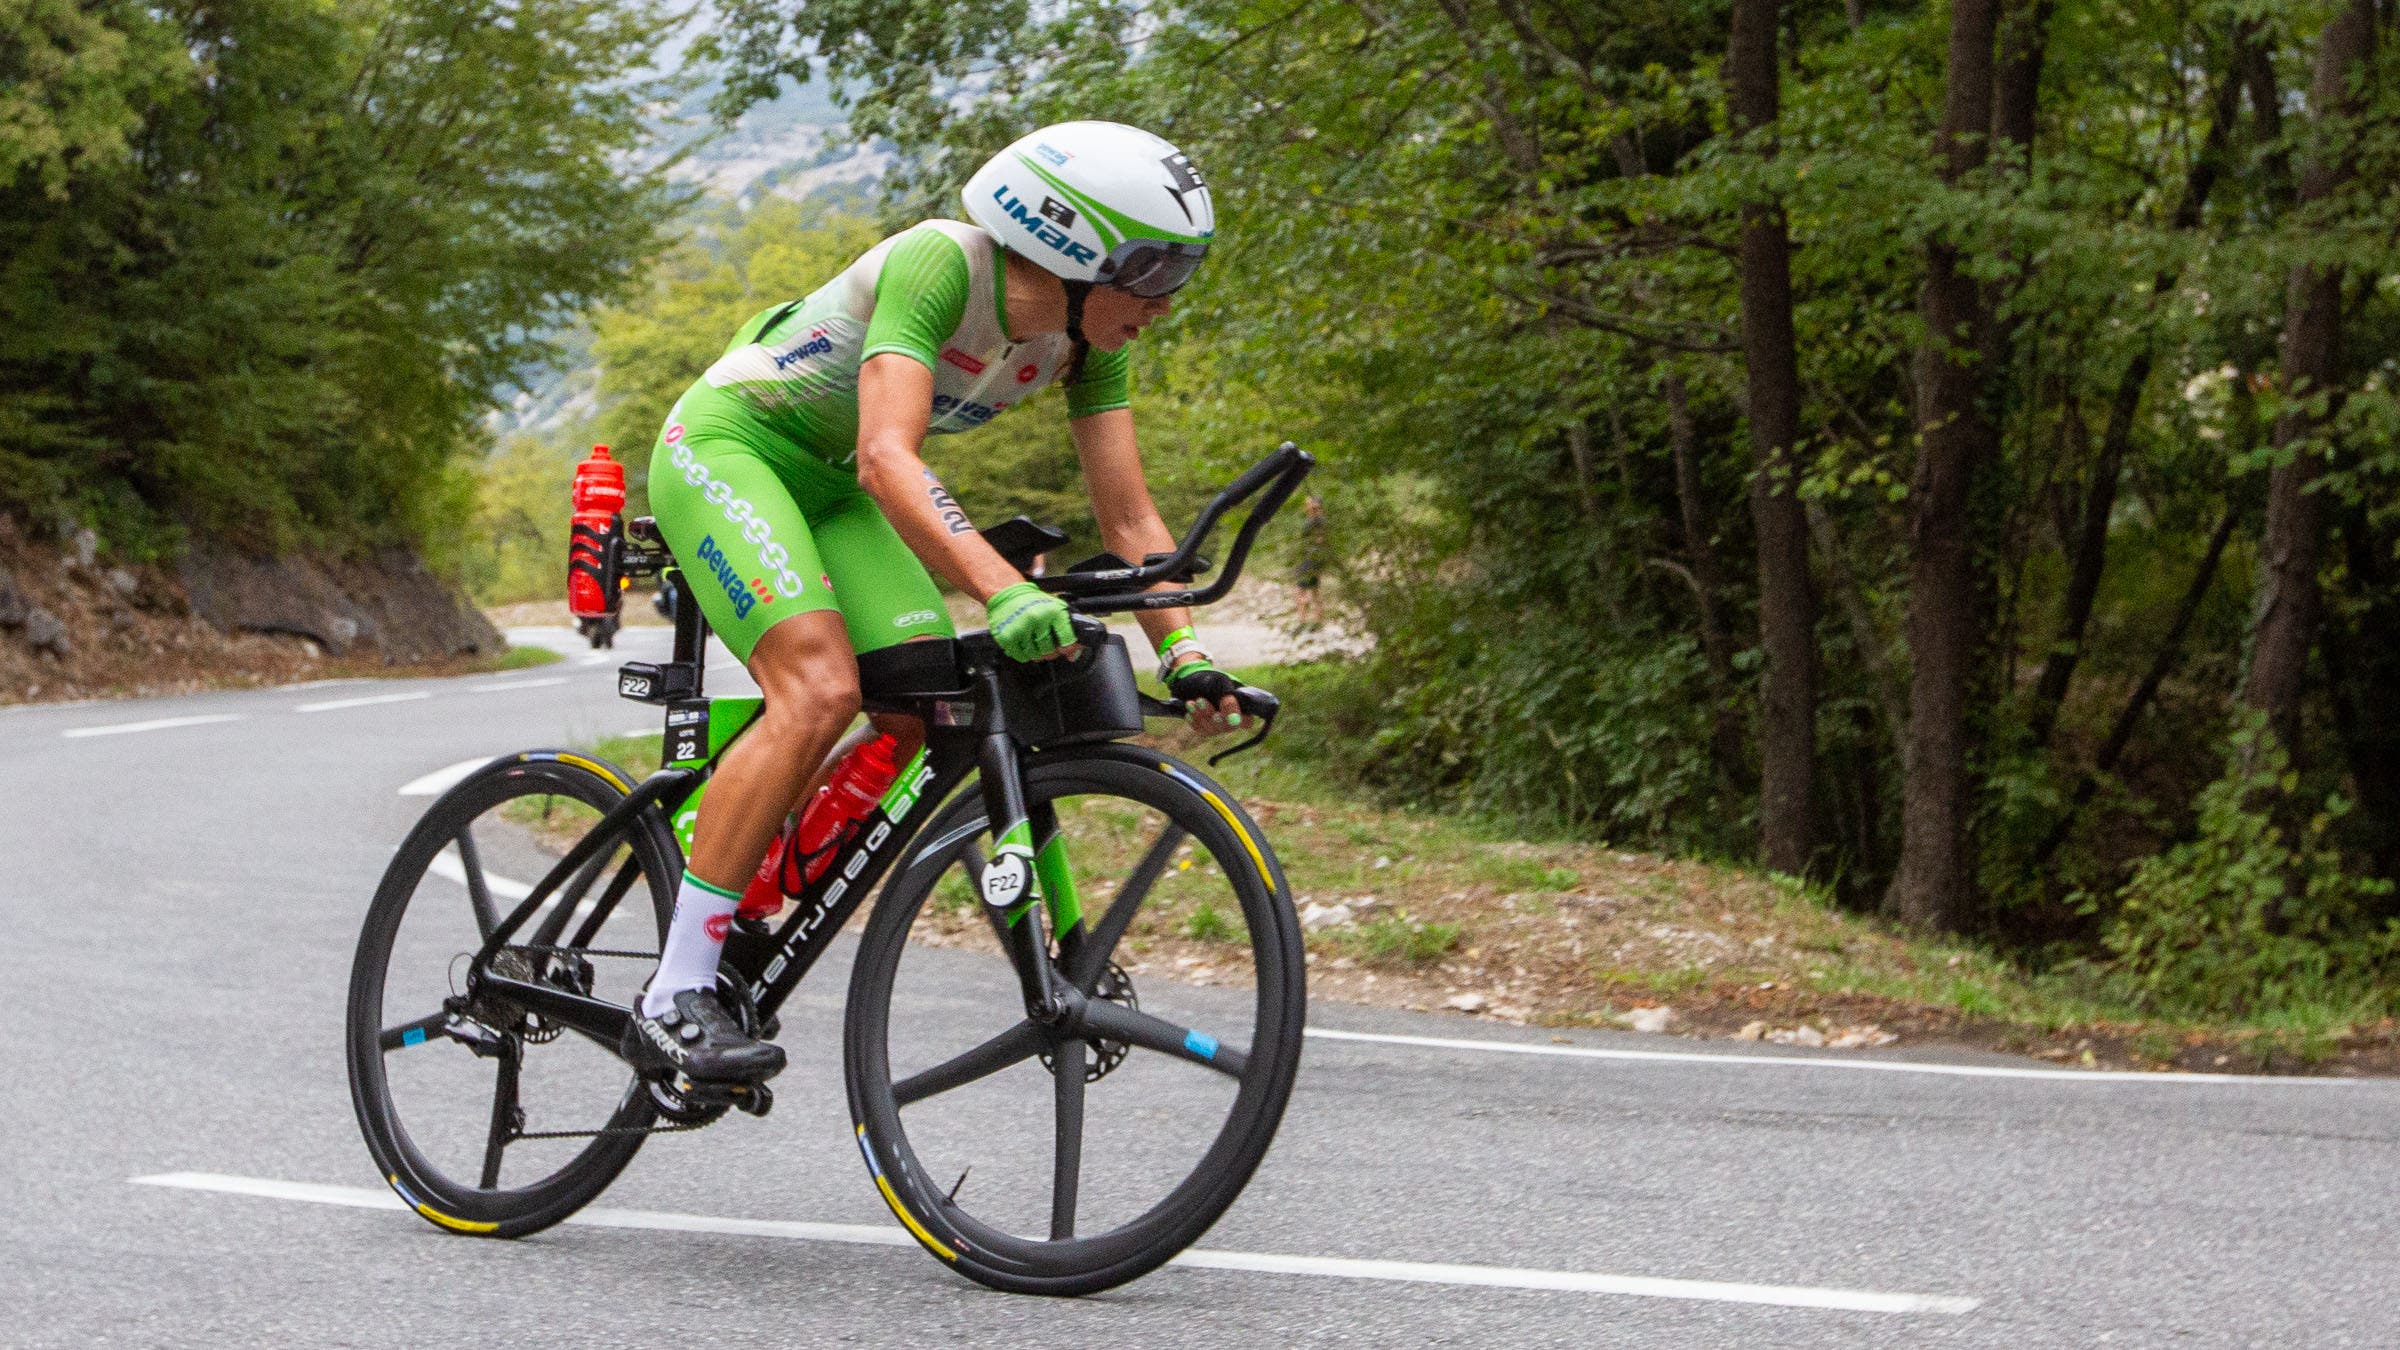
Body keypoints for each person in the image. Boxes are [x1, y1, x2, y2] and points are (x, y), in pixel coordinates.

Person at [626, 121, 1263, 1084]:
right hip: (731, 449)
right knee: (818, 687)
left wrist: (1187, 654)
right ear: (1073, 246)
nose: (1167, 303)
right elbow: (888, 456)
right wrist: (1002, 589)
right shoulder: (938, 266)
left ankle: (749, 868)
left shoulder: (1091, 343)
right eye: (1158, 273)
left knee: (923, 703)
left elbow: (1130, 516)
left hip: (830, 489)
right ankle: (675, 991)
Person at [1291, 493, 1327, 625]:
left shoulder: (1316, 521)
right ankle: (1317, 621)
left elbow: (1319, 540)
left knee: (1301, 591)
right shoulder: (1317, 520)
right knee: (1315, 590)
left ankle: (1302, 621)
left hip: (1309, 560)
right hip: (1314, 559)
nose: (1306, 506)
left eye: (1309, 504)